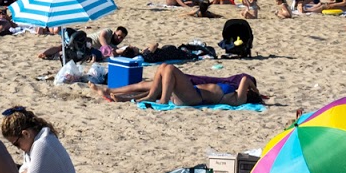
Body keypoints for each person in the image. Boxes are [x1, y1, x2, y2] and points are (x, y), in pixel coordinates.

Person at [95, 66, 262, 107]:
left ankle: (161, 99)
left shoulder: (239, 99)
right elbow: (245, 80)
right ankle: (126, 98)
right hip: (192, 93)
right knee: (164, 67)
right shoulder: (236, 95)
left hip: (194, 98)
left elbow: (246, 78)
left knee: (170, 69)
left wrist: (255, 90)